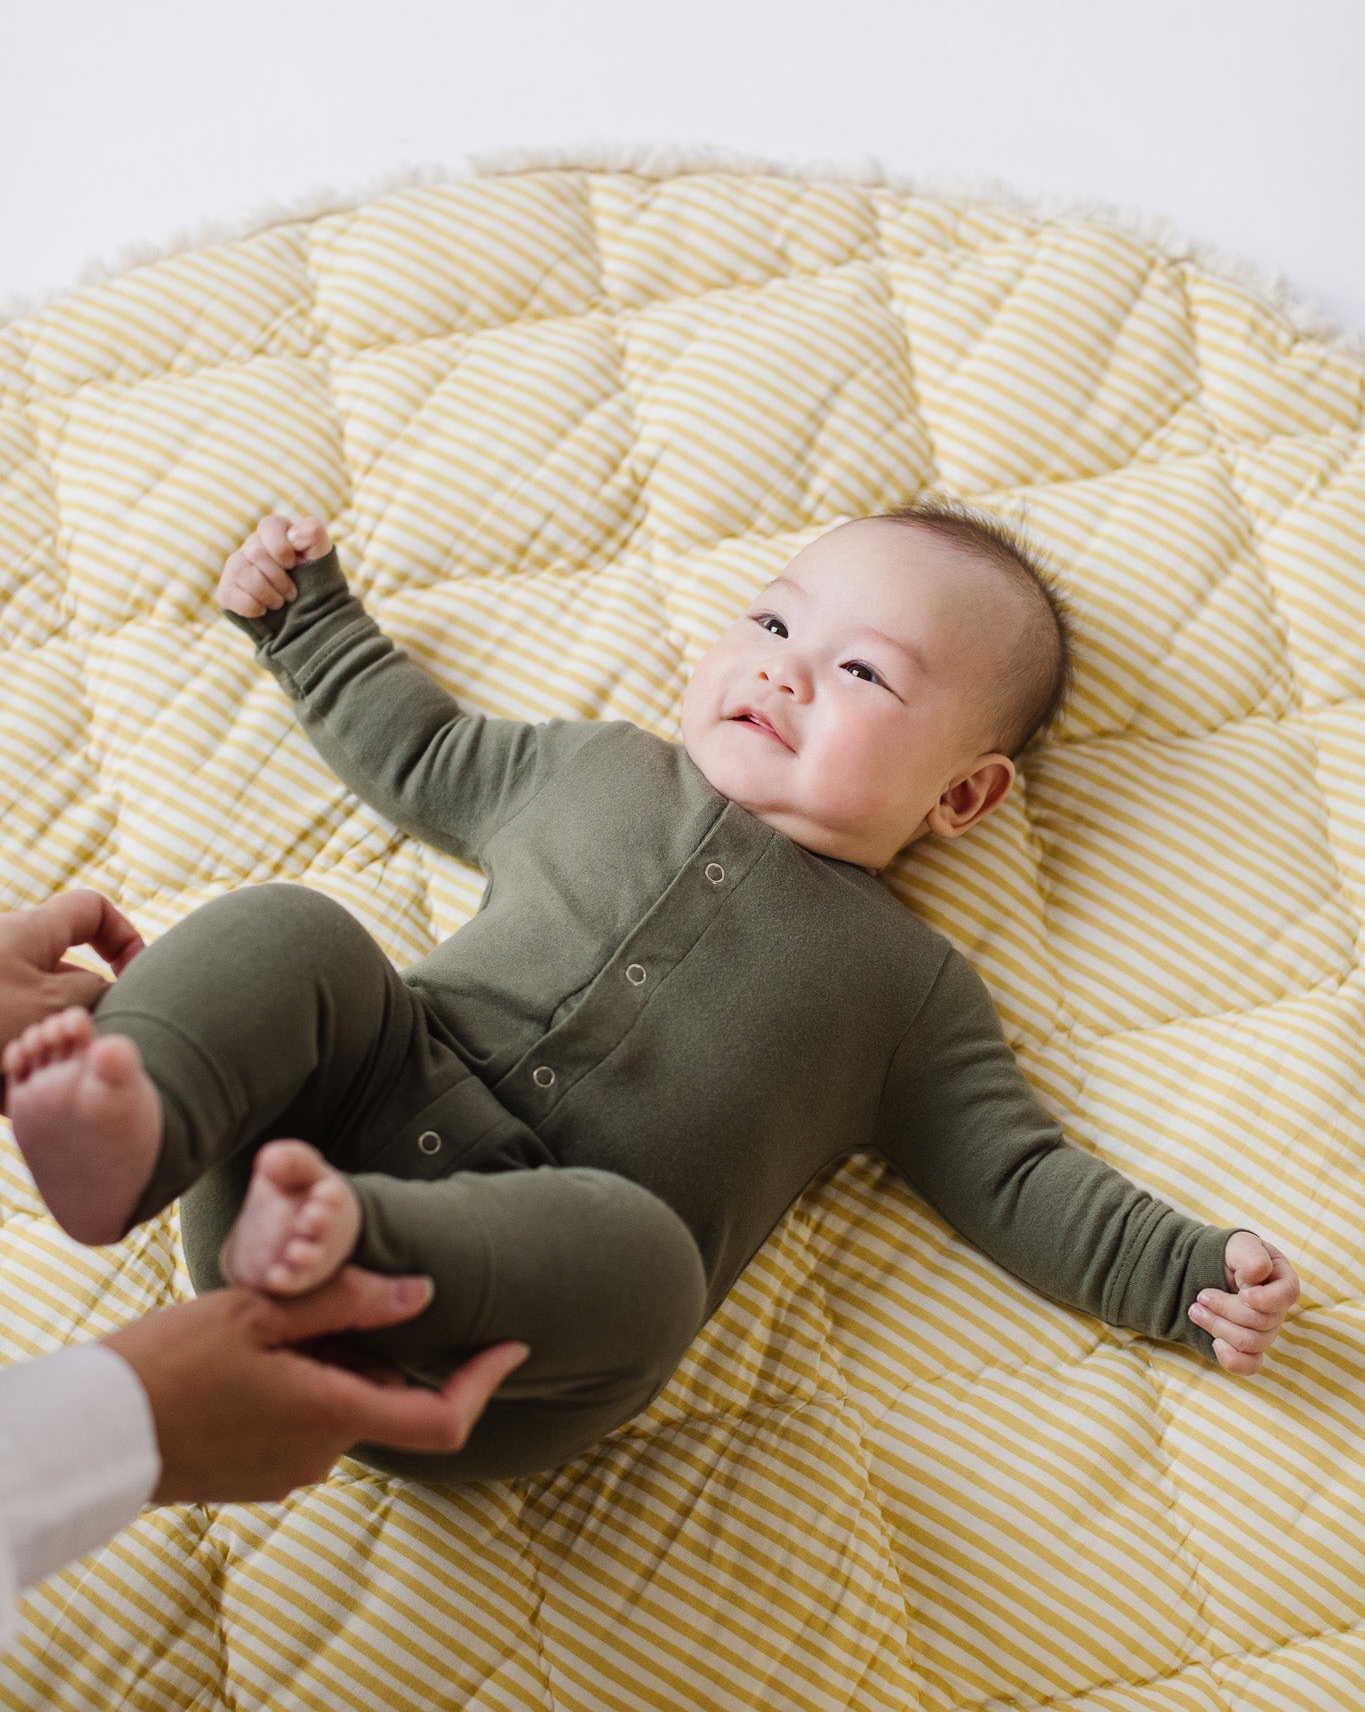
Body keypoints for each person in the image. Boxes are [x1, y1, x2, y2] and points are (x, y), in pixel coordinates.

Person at [1, 505, 1300, 1486]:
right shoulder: (595, 770)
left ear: (961, 795)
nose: (786, 670)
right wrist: (308, 624)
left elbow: (1015, 1174)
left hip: (501, 1345)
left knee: (651, 1267)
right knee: (297, 934)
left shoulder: (912, 995)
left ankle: (364, 1245)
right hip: (307, 1148)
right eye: (775, 625)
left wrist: (1181, 1275)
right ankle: (138, 1112)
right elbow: (426, 751)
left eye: (863, 673)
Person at [0, 892, 528, 1650]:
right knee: (291, 933)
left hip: (351, 1173)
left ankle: (137, 1118)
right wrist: (125, 1422)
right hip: (449, 1183)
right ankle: (134, 1137)